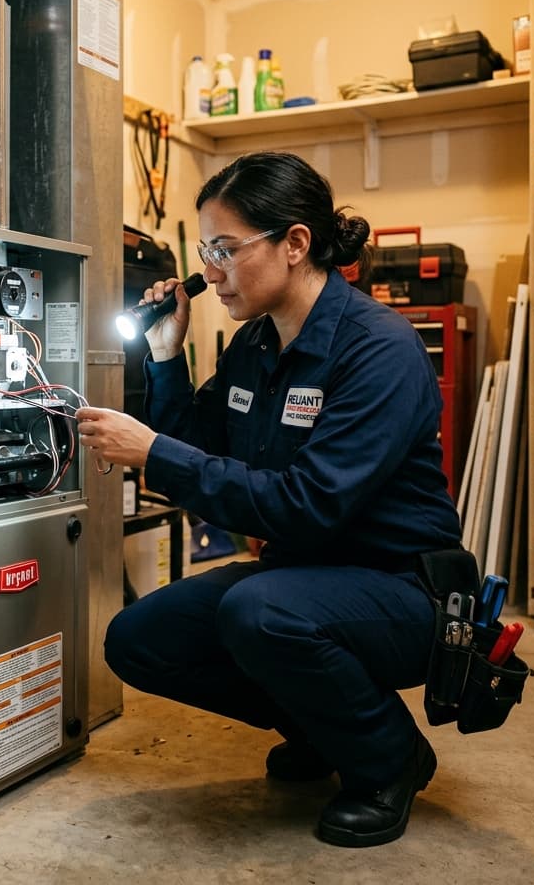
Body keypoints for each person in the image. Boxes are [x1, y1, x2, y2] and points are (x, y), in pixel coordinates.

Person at [76, 151, 461, 848]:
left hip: (402, 590)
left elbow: (305, 505)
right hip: (303, 578)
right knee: (139, 640)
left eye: (225, 249)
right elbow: (202, 450)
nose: (212, 271)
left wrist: (155, 451)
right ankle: (325, 726)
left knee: (259, 611)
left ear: (295, 244)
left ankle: (388, 759)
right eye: (205, 252)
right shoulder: (254, 345)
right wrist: (166, 356)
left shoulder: (378, 349)